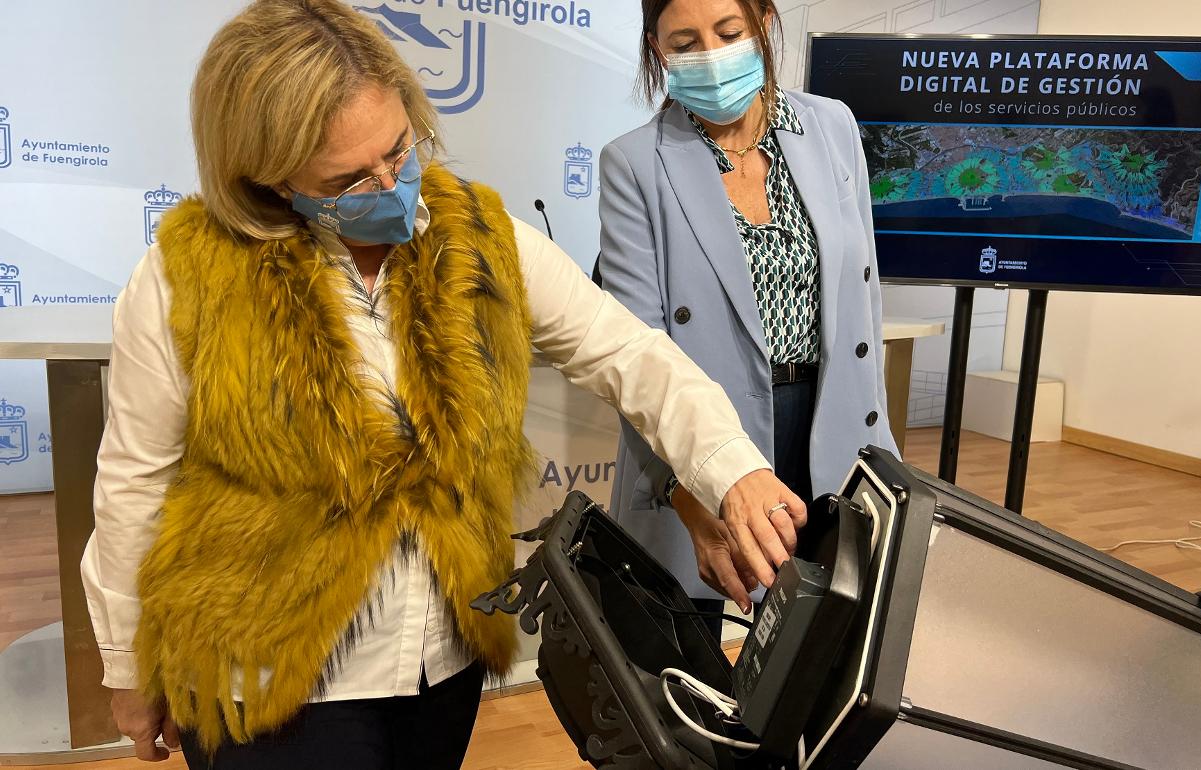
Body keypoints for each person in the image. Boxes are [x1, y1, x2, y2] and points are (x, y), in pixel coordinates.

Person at [79, 1, 807, 767]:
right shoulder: (183, 278)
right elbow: (133, 484)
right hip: (263, 678)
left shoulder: (481, 238)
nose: (392, 183)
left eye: (400, 148)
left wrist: (735, 468)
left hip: (440, 661)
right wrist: (129, 669)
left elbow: (631, 354)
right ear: (267, 175)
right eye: (350, 177)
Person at [599, 0, 897, 633]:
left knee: (821, 668)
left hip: (829, 431)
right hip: (704, 442)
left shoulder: (832, 126)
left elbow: (863, 304)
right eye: (684, 42)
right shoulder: (634, 163)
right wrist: (686, 494)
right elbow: (635, 351)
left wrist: (881, 453)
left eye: (728, 32)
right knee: (685, 676)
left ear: (764, 23)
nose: (710, 54)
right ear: (657, 51)